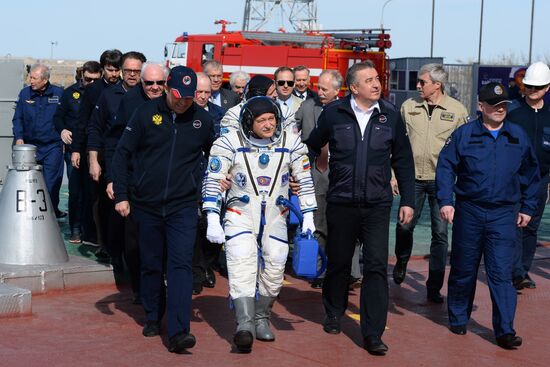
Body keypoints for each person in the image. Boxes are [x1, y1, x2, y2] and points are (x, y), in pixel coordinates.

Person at [305, 61, 415, 355]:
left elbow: (403, 160)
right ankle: (333, 311)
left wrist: (407, 200)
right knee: (339, 262)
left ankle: (373, 333)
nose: (376, 84)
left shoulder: (390, 116)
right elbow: (312, 145)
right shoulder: (334, 113)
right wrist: (313, 169)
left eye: (377, 79)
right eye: (368, 80)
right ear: (354, 88)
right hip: (341, 201)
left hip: (378, 203)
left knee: (376, 266)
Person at [112, 66, 214, 354]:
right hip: (146, 203)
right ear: (168, 89)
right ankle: (153, 316)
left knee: (180, 266)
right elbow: (122, 154)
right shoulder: (144, 114)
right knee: (151, 263)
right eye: (179, 97)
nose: (184, 103)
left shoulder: (202, 121)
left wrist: (219, 178)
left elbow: (217, 155)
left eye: (189, 98)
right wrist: (121, 194)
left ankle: (180, 331)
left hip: (182, 205)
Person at [202, 96, 316, 353]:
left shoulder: (292, 143)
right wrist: (211, 216)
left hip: (277, 214)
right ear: (248, 122)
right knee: (241, 260)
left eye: (272, 119)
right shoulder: (229, 143)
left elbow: (305, 179)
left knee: (276, 265)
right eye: (261, 120)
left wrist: (308, 215)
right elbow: (214, 179)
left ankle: (262, 316)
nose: (268, 125)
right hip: (240, 212)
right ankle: (244, 324)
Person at [436, 82, 540, 350]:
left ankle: (505, 330)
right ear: (481, 107)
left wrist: (528, 207)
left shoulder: (517, 136)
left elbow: (532, 173)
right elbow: (446, 167)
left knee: (501, 273)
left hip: (504, 214)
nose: (500, 109)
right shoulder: (464, 135)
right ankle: (459, 318)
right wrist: (446, 201)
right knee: (463, 269)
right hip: (469, 211)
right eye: (494, 106)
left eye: (504, 105)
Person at [392, 64, 469, 303]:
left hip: (442, 182)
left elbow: (464, 150)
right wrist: (393, 174)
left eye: (422, 82)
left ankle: (434, 286)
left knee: (440, 234)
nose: (417, 86)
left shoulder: (457, 111)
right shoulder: (408, 107)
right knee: (404, 226)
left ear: (437, 84)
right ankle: (402, 259)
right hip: (411, 179)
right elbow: (396, 144)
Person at [103, 61, 168, 303]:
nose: (153, 87)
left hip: (165, 183)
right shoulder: (130, 103)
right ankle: (140, 288)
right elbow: (114, 145)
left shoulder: (176, 104)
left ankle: (159, 283)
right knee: (134, 240)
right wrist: (113, 180)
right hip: (133, 180)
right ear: (141, 82)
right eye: (148, 83)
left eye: (159, 83)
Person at [87, 51, 146, 269]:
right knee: (112, 211)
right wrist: (93, 160)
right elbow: (95, 128)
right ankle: (114, 254)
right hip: (113, 159)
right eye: (128, 70)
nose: (132, 75)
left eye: (136, 71)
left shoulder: (151, 96)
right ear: (122, 70)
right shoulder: (108, 95)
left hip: (141, 165)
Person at [294, 69, 343, 289]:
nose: (319, 92)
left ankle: (348, 272)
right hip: (316, 171)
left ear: (337, 90)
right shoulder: (307, 107)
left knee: (342, 227)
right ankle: (319, 270)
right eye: (319, 88)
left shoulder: (347, 110)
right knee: (318, 221)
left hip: (341, 173)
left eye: (324, 89)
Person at [71, 49, 122, 250]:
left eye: (117, 70)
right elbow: (82, 122)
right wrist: (76, 149)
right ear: (103, 70)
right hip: (95, 150)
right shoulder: (93, 91)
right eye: (110, 70)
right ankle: (96, 238)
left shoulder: (125, 90)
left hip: (117, 151)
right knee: (95, 197)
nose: (114, 74)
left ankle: (114, 240)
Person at [507, 61, 550, 290]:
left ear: (548, 87)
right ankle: (514, 271)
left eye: (538, 87)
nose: (533, 91)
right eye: (530, 86)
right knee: (514, 225)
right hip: (513, 178)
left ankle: (522, 271)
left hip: (540, 180)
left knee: (531, 226)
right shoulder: (512, 112)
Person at [53, 61, 102, 243]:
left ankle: (93, 231)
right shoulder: (70, 93)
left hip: (96, 149)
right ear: (82, 76)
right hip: (75, 148)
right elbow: (58, 117)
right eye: (87, 79)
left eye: (94, 80)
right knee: (75, 191)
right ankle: (75, 228)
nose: (90, 83)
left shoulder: (103, 94)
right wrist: (62, 130)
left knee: (94, 192)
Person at [12, 63, 65, 218]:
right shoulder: (24, 94)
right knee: (28, 182)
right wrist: (19, 137)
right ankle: (30, 213)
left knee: (51, 183)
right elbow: (18, 119)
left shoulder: (59, 94)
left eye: (34, 78)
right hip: (30, 146)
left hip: (52, 146)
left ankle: (49, 213)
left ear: (45, 80)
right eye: (30, 77)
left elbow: (66, 118)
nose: (31, 81)